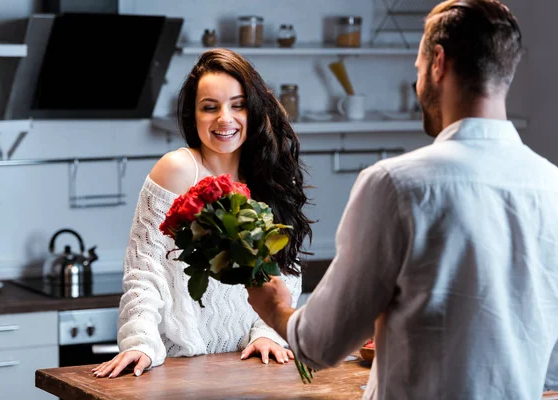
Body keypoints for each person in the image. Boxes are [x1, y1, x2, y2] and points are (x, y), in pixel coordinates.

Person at [247, 1, 558, 399]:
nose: (417, 85)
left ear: (438, 63)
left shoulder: (394, 184)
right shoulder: (551, 186)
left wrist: (275, 308)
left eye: (417, 69)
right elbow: (550, 369)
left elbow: (320, 344)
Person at [93, 48, 313, 378]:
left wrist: (269, 333)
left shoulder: (272, 176)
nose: (225, 118)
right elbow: (144, 270)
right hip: (181, 363)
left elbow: (286, 270)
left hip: (254, 362)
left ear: (252, 110)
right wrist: (139, 341)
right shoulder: (177, 169)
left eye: (237, 105)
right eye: (210, 107)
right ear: (192, 116)